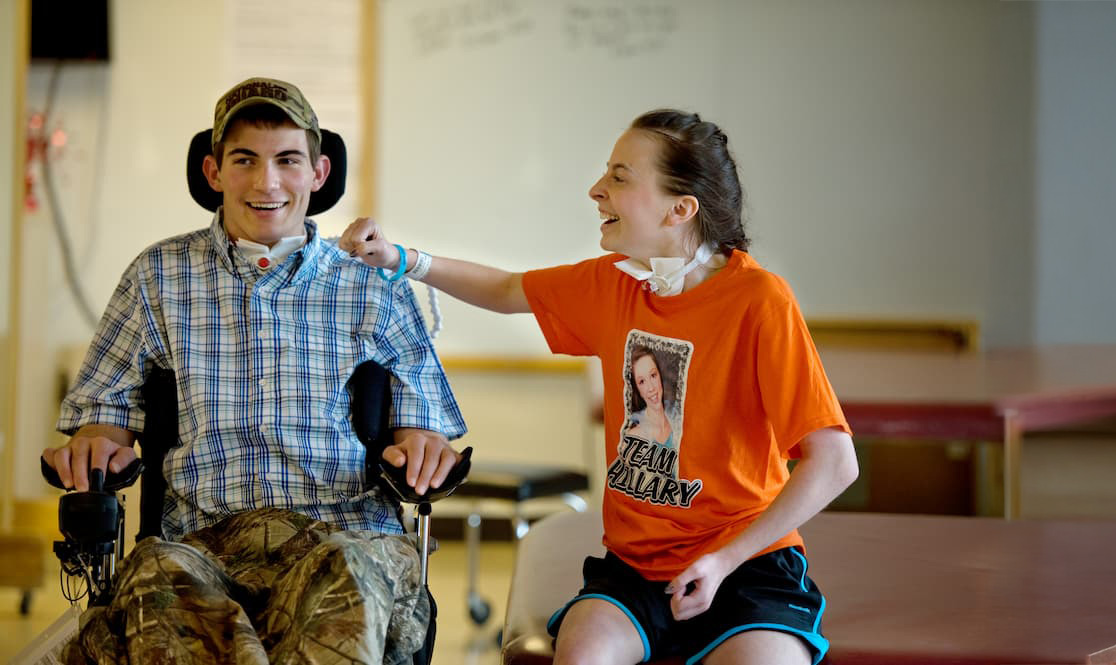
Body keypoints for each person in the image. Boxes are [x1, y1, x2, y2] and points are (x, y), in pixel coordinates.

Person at [340, 109, 858, 665]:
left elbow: (834, 462)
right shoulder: (614, 284)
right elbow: (510, 288)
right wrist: (403, 261)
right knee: (582, 652)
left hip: (747, 566)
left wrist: (724, 561)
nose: (596, 190)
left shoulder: (759, 301)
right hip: (635, 571)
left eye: (619, 177)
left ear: (680, 209)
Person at [41, 77, 467, 664]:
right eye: (245, 160)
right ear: (214, 171)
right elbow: (103, 415)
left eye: (288, 160)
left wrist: (422, 445)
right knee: (156, 576)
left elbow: (420, 422)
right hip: (199, 541)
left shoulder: (369, 281)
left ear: (318, 174)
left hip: (339, 531)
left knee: (345, 570)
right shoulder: (157, 275)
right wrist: (96, 443)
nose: (267, 183)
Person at [624, 345, 679, 448]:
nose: (651, 388)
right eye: (642, 382)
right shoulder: (634, 440)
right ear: (637, 390)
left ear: (660, 375)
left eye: (653, 375)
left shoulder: (679, 422)